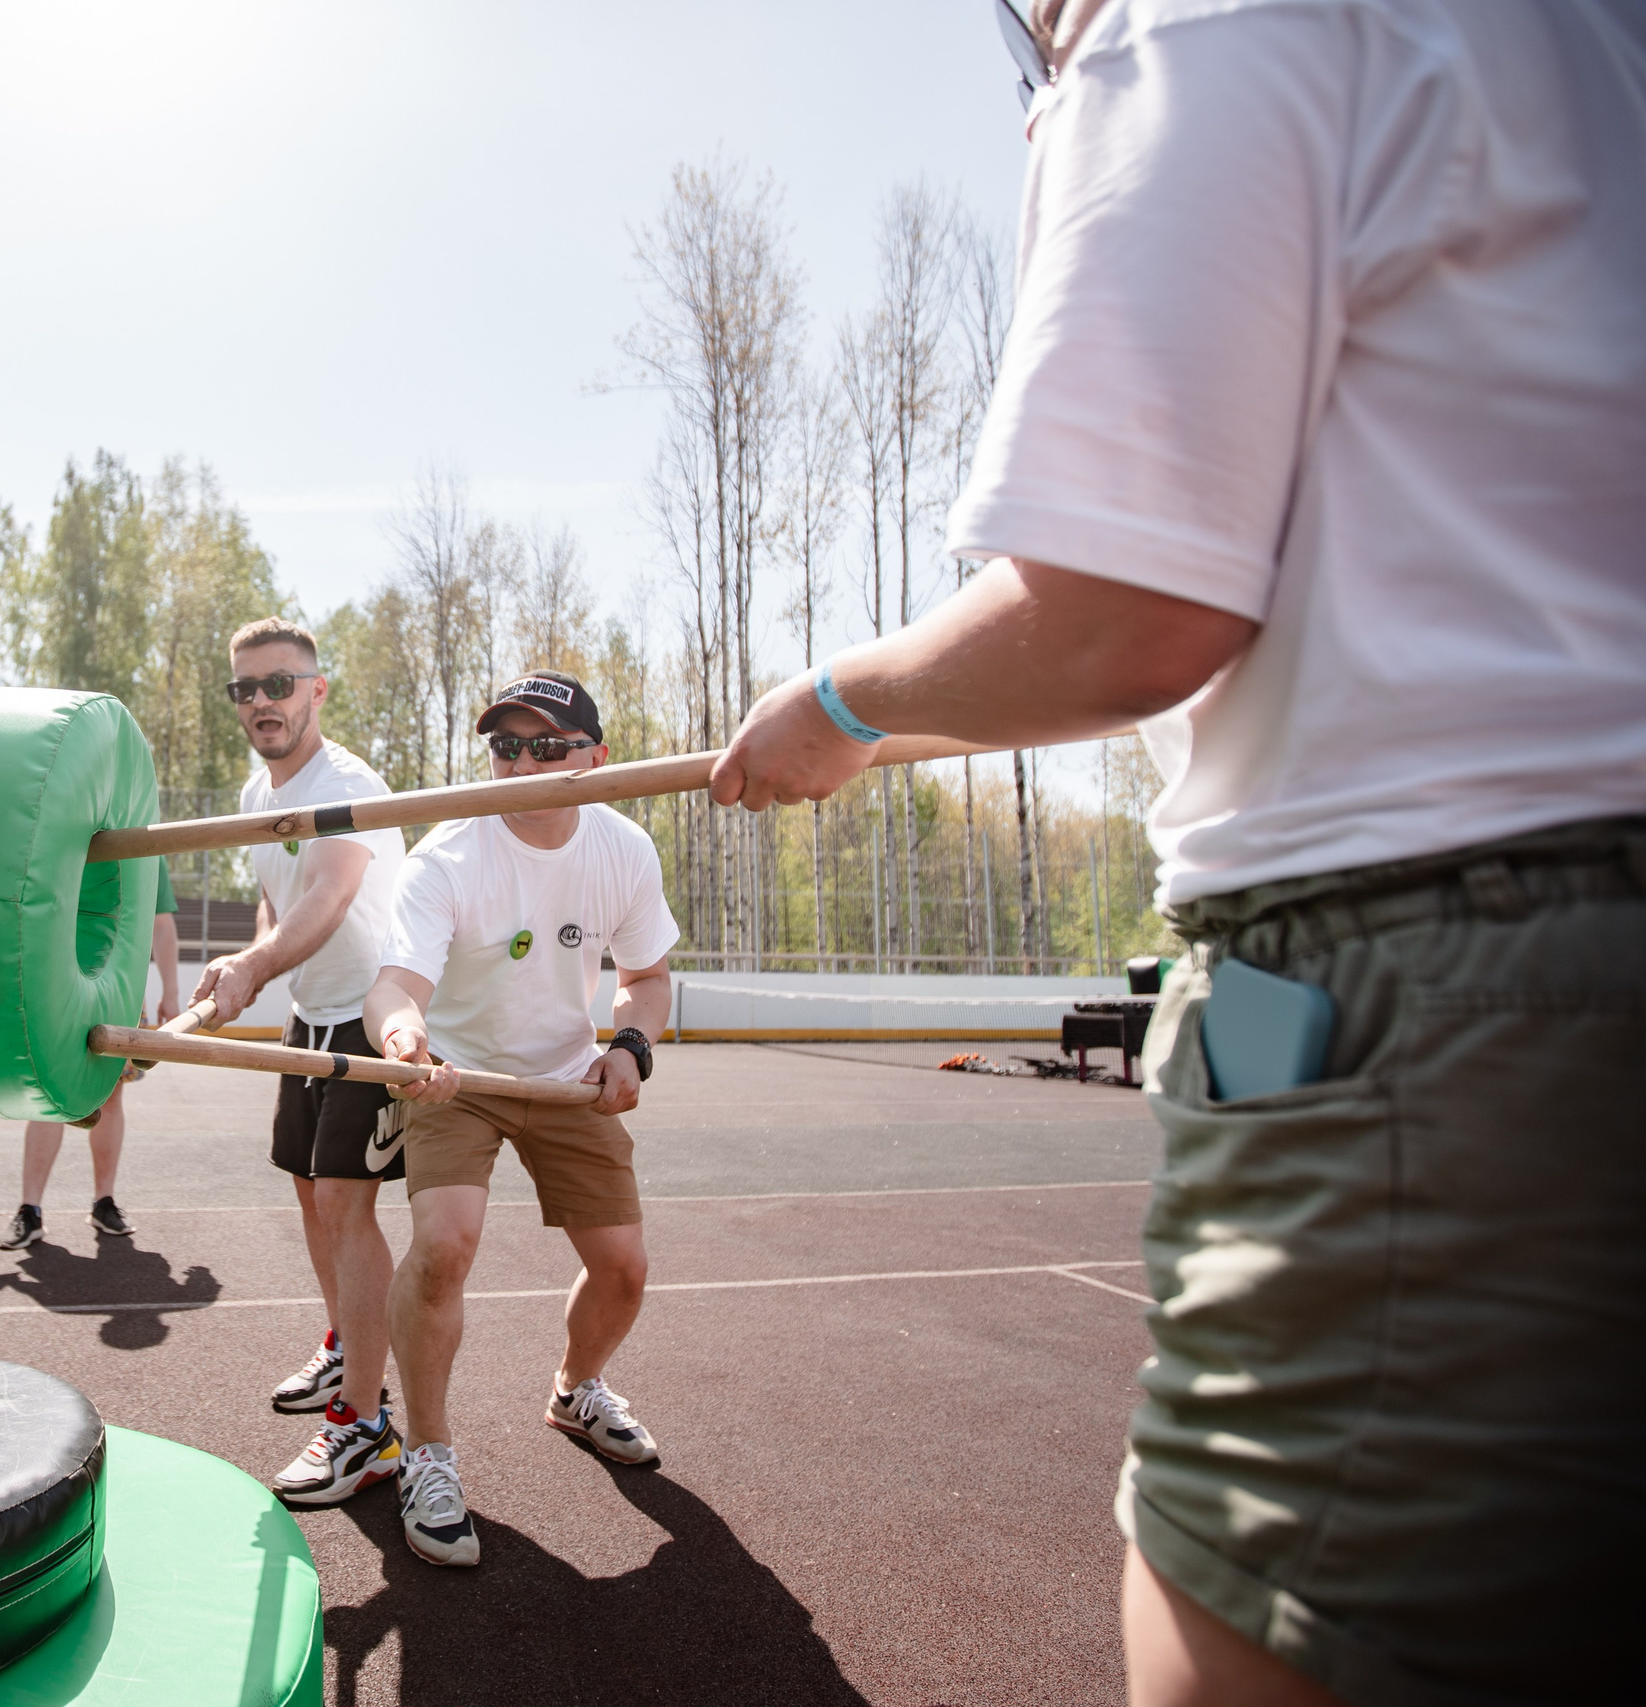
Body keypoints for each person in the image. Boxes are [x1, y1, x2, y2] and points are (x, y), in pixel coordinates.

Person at [715, 3, 1645, 1702]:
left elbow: (1126, 617)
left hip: (1419, 964)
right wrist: (866, 737)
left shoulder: (1188, 19)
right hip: (1547, 916)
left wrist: (835, 701)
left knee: (1229, 1641)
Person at [363, 671, 677, 1569]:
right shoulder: (447, 855)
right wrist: (402, 1034)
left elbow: (649, 977)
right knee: (447, 1244)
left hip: (567, 1077)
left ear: (595, 758)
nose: (522, 761)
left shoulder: (622, 847)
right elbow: (396, 983)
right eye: (506, 744)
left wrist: (630, 1045)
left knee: (623, 1268)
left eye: (547, 745)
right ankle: (427, 1450)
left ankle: (577, 1390)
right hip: (451, 1076)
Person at [187, 618, 410, 1509]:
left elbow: (329, 895)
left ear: (317, 690)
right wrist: (252, 970)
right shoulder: (256, 787)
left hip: (370, 1012)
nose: (261, 703)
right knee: (308, 1195)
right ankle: (347, 1345)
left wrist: (252, 969)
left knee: (346, 1207)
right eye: (244, 689)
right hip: (310, 1016)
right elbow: (278, 908)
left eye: (278, 685)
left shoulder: (345, 784)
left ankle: (367, 1426)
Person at [0, 864, 181, 1249]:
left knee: (110, 1096)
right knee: (47, 1097)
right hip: (56, 986)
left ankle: (104, 1201)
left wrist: (171, 993)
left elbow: (160, 924)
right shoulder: (61, 826)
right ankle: (30, 1210)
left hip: (119, 990)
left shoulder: (145, 844)